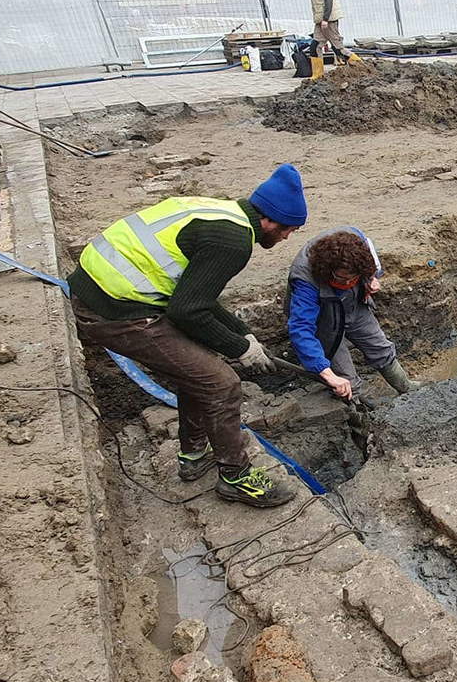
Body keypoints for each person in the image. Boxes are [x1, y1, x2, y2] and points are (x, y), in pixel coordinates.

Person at [68, 165, 309, 509]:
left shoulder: (224, 214)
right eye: (289, 230)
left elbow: (198, 298)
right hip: (114, 310)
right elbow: (187, 311)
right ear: (271, 221)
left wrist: (245, 334)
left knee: (197, 371)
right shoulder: (234, 242)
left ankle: (194, 455)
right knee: (222, 382)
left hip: (108, 291)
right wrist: (238, 349)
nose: (287, 238)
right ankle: (236, 478)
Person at [285, 226, 415, 400]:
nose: (347, 281)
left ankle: (406, 387)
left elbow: (373, 264)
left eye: (352, 277)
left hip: (353, 302)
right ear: (328, 270)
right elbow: (301, 329)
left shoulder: (358, 241)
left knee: (380, 347)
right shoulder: (305, 279)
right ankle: (360, 412)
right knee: (346, 380)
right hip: (323, 315)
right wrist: (326, 373)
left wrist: (371, 278)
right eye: (342, 278)